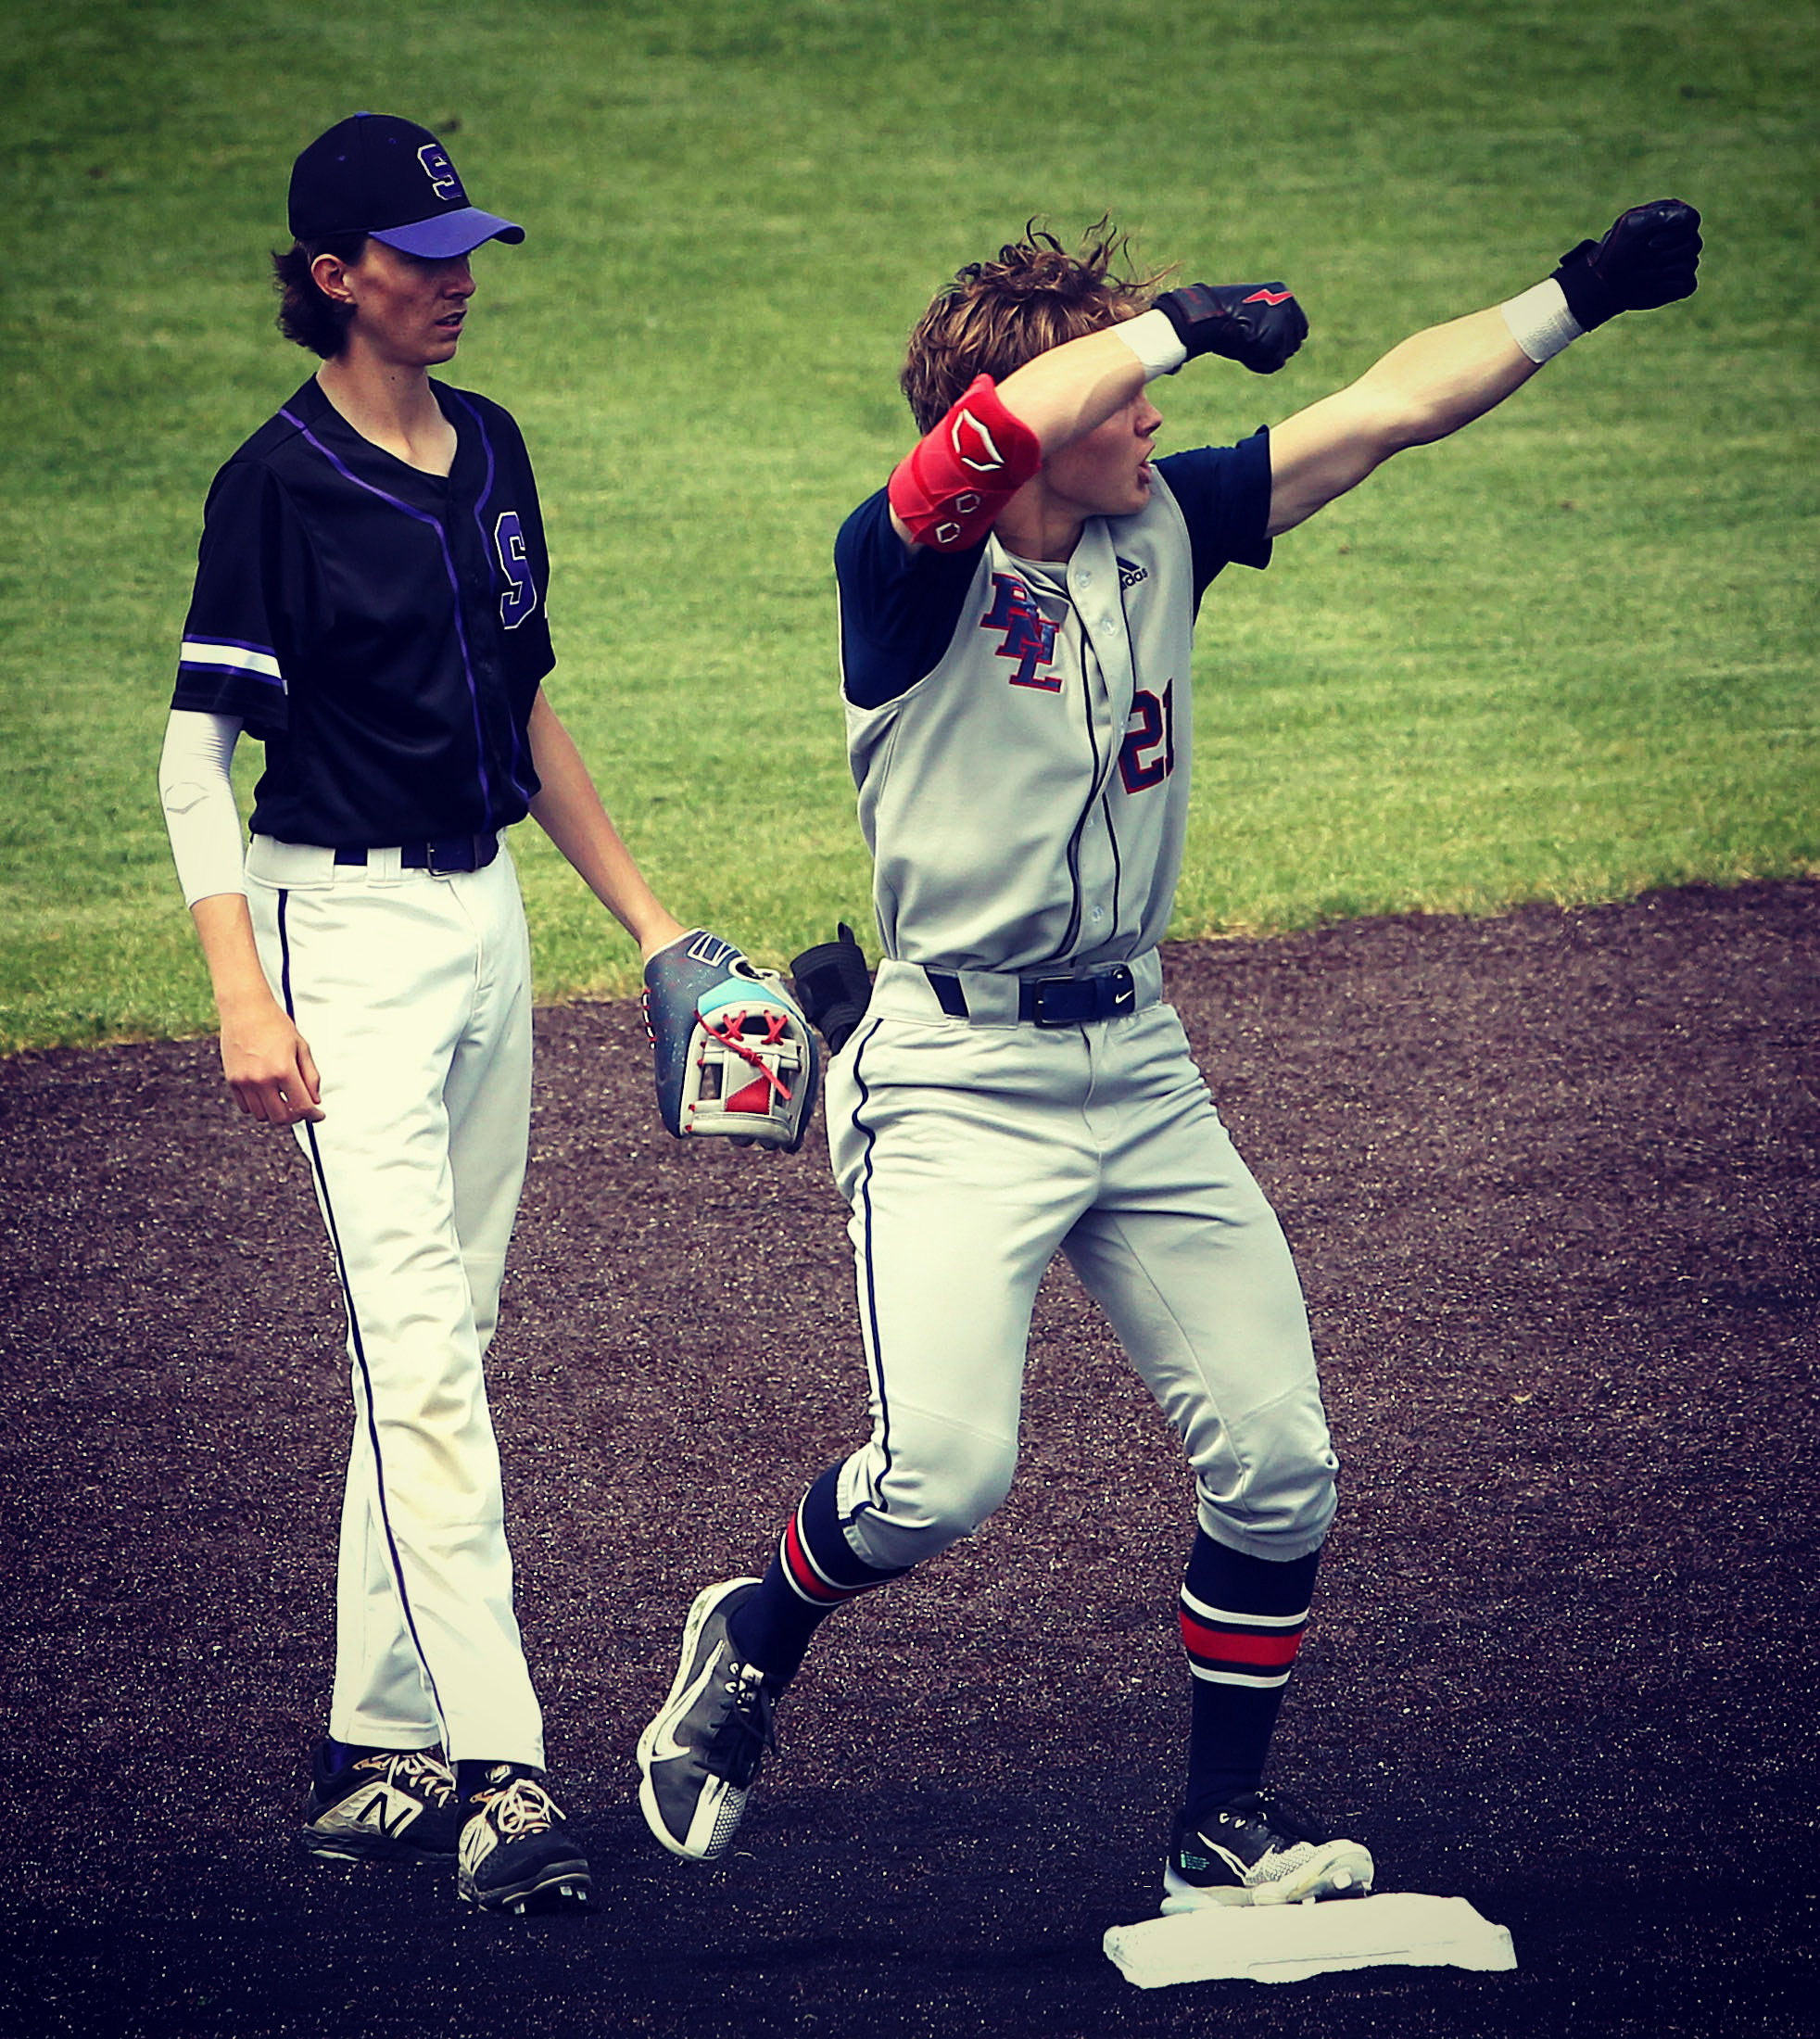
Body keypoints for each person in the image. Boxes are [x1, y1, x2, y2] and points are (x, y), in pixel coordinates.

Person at [634, 201, 1701, 1908]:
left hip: (1138, 1060)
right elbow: (975, 449)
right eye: (1122, 388)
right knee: (943, 1477)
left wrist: (1575, 295)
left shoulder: (1166, 524)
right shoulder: (904, 569)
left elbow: (1389, 408)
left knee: (1282, 1461)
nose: (1157, 416)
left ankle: (1222, 1828)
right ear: (1044, 412)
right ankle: (756, 1629)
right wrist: (1185, 321)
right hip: (956, 1074)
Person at [158, 111, 689, 1916]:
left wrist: (652, 925)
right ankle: (501, 1765)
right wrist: (241, 989)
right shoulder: (276, 484)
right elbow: (190, 758)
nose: (455, 278)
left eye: (465, 244)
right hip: (341, 943)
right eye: (417, 252)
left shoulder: (495, 452)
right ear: (331, 273)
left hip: (482, 926)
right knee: (430, 1359)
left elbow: (530, 715)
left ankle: (370, 1739)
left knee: (435, 1334)